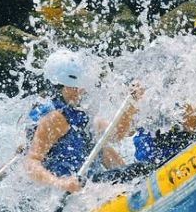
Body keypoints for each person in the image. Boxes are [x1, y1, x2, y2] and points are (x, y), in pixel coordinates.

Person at [23, 50, 134, 193]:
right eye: (73, 87)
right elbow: (31, 163)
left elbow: (117, 135)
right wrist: (61, 183)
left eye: (79, 86)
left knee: (102, 146)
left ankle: (132, 184)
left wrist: (129, 109)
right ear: (57, 87)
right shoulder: (54, 119)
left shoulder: (81, 113)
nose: (79, 91)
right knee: (104, 150)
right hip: (62, 192)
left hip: (88, 184)